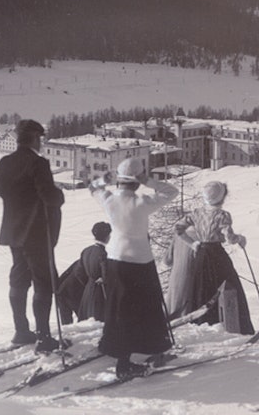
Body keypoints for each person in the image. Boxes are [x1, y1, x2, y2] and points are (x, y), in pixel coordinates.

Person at [89, 157, 177, 379]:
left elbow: (93, 186)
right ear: (137, 181)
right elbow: (171, 192)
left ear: (119, 181)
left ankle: (119, 352)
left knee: (120, 308)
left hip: (115, 259)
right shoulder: (142, 203)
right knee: (145, 307)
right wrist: (149, 181)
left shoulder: (109, 199)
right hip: (140, 260)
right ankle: (138, 357)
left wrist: (105, 178)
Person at [0, 119, 66, 353]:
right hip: (36, 233)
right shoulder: (38, 163)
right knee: (43, 283)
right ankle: (44, 338)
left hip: (13, 232)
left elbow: (5, 194)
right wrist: (59, 195)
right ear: (35, 138)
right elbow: (50, 198)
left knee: (18, 279)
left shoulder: (3, 163)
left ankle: (21, 331)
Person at [175, 181, 255, 335]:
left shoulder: (196, 213)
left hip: (201, 255)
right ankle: (235, 326)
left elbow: (178, 228)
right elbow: (230, 238)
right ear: (222, 197)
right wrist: (240, 239)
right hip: (217, 255)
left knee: (201, 289)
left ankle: (202, 324)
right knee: (228, 286)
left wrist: (192, 244)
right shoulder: (222, 215)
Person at [77, 221, 111, 321]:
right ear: (107, 236)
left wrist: (89, 283)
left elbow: (79, 272)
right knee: (99, 322)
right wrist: (103, 280)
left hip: (88, 291)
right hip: (100, 292)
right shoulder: (102, 253)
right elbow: (106, 274)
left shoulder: (86, 251)